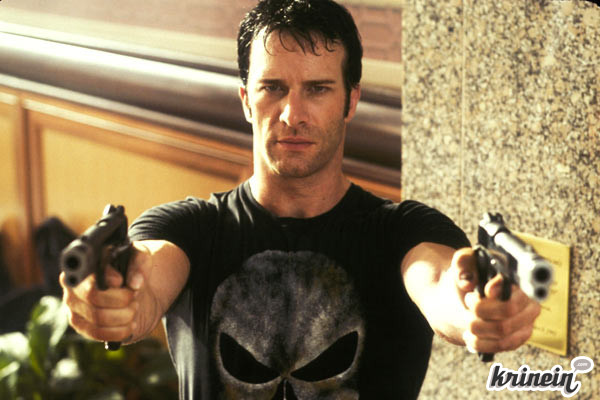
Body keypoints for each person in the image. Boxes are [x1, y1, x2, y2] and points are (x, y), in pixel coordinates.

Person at [60, 0, 542, 398]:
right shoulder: (189, 228)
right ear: (246, 100)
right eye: (273, 88)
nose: (293, 114)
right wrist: (114, 303)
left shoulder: (403, 231)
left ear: (351, 101)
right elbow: (145, 283)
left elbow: (440, 286)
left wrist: (476, 309)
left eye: (317, 89)